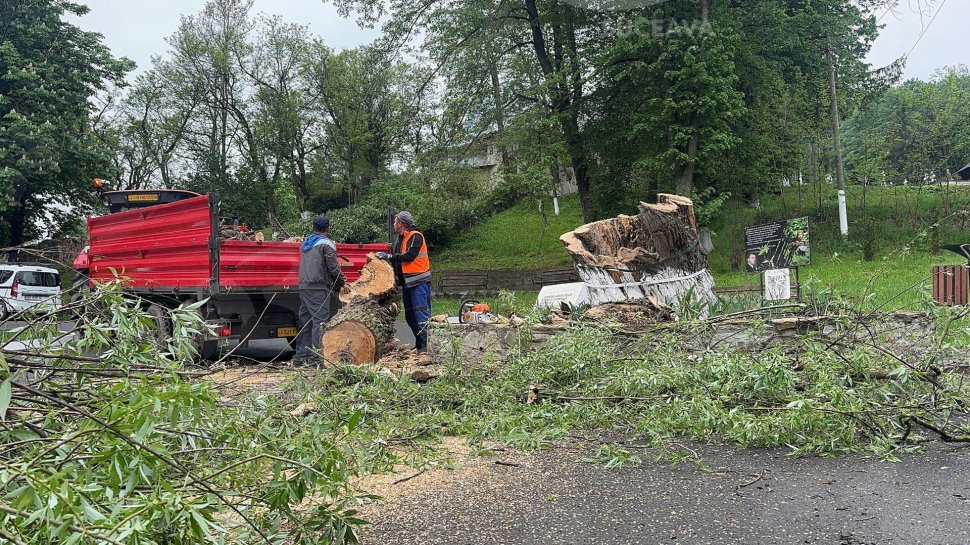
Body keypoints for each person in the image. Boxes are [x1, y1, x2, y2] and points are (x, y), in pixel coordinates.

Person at [294, 214, 348, 365]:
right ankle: (316, 360)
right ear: (328, 228)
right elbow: (333, 266)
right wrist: (341, 283)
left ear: (313, 227)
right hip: (318, 287)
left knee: (305, 322)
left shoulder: (306, 243)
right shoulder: (326, 243)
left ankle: (300, 358)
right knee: (320, 322)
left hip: (304, 286)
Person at [377, 211, 432, 351]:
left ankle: (428, 347)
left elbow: (409, 256)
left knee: (421, 315)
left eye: (395, 222)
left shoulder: (415, 236)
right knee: (410, 316)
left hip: (419, 282)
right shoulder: (400, 238)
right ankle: (420, 345)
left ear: (401, 223)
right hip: (408, 283)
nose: (394, 224)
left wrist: (388, 256)